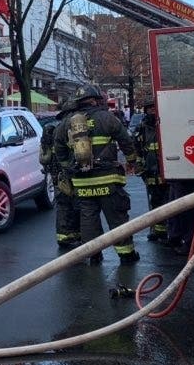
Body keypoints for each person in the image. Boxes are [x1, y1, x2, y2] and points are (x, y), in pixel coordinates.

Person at [54, 84, 140, 265]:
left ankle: (93, 255)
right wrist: (132, 161)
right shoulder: (107, 118)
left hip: (82, 183)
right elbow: (126, 142)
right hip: (108, 179)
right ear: (95, 100)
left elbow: (59, 149)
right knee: (117, 219)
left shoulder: (66, 123)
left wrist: (68, 168)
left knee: (88, 220)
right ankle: (126, 255)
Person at [40, 99, 79, 249]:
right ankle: (70, 236)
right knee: (71, 204)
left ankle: (66, 236)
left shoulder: (53, 129)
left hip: (56, 173)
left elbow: (46, 157)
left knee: (63, 205)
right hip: (68, 172)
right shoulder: (69, 128)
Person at [134, 98, 169, 243]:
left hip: (165, 170)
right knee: (155, 202)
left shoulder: (165, 124)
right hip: (150, 171)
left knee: (170, 201)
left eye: (154, 108)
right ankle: (159, 230)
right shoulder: (142, 127)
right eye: (149, 109)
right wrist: (139, 166)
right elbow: (137, 148)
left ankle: (171, 230)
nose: (152, 111)